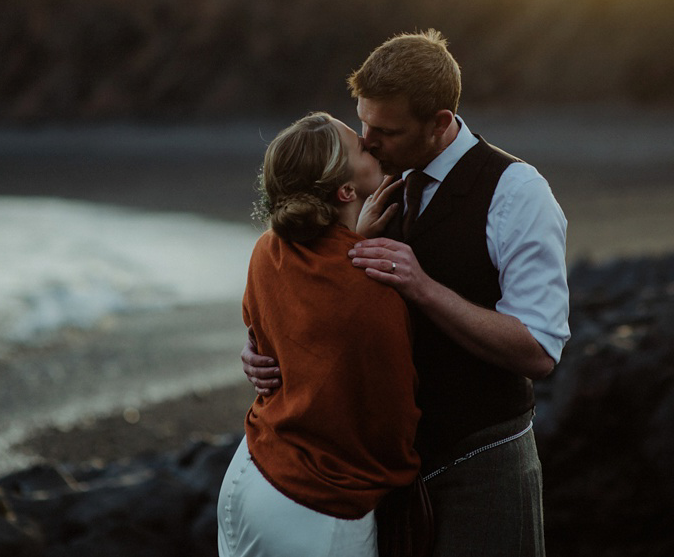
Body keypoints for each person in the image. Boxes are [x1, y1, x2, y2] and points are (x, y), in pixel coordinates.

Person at [242, 30, 570, 557]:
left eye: (385, 130)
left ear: (440, 123)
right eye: (363, 122)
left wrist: (423, 288)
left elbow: (538, 349)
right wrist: (263, 347)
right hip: (383, 480)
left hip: (482, 463)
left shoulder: (518, 193)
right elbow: (328, 296)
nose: (367, 141)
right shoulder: (377, 187)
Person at [218, 112, 422, 557]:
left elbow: (279, 332)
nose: (372, 142)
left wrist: (349, 239)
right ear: (347, 191)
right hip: (313, 509)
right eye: (361, 147)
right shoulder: (372, 294)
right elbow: (391, 428)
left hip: (247, 474)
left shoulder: (267, 250)